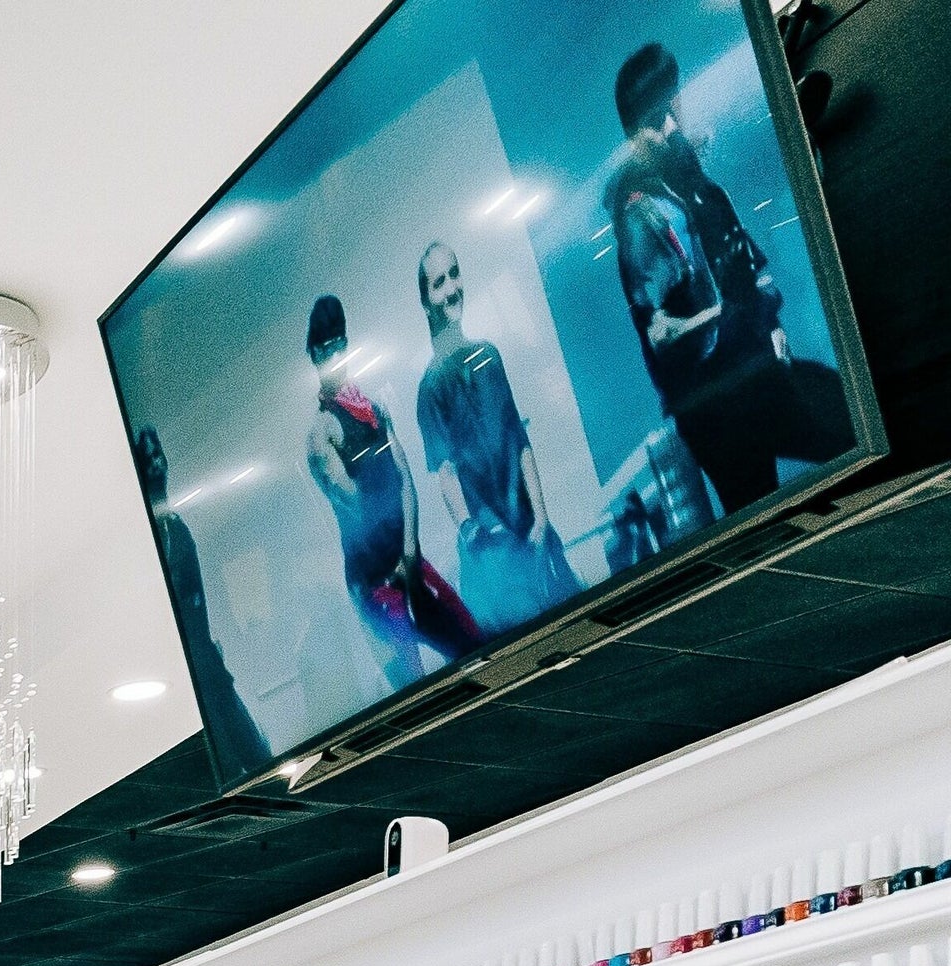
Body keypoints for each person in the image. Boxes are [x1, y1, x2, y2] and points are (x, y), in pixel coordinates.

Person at [608, 39, 854, 509]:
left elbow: (747, 267)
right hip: (723, 401)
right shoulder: (646, 209)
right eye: (674, 96)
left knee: (820, 456)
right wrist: (736, 316)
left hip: (746, 381)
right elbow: (663, 333)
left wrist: (769, 326)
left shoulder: (692, 188)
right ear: (664, 106)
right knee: (781, 500)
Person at [304, 292, 480, 691]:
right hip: (373, 584)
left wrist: (411, 555)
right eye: (327, 348)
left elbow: (405, 478)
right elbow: (359, 508)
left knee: (473, 642)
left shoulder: (372, 409)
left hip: (406, 562)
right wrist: (400, 560)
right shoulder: (321, 434)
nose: (336, 354)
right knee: (414, 693)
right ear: (315, 356)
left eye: (340, 343)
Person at [414, 240, 579, 633]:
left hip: (536, 536)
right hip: (496, 553)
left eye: (455, 274)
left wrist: (541, 518)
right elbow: (447, 473)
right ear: (426, 300)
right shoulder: (430, 387)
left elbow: (519, 440)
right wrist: (477, 531)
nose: (452, 288)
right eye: (439, 282)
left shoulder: (489, 356)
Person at [133, 426, 272, 770]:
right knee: (237, 758)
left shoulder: (175, 524)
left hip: (209, 664)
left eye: (157, 454)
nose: (156, 464)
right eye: (147, 457)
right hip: (195, 672)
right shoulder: (157, 533)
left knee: (255, 757)